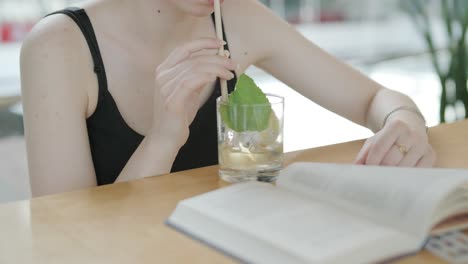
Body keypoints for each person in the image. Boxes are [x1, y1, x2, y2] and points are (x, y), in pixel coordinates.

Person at [21, 0, 435, 197]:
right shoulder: (57, 48)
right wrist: (165, 136)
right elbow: (70, 237)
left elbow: (374, 99)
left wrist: (404, 121)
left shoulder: (238, 20)